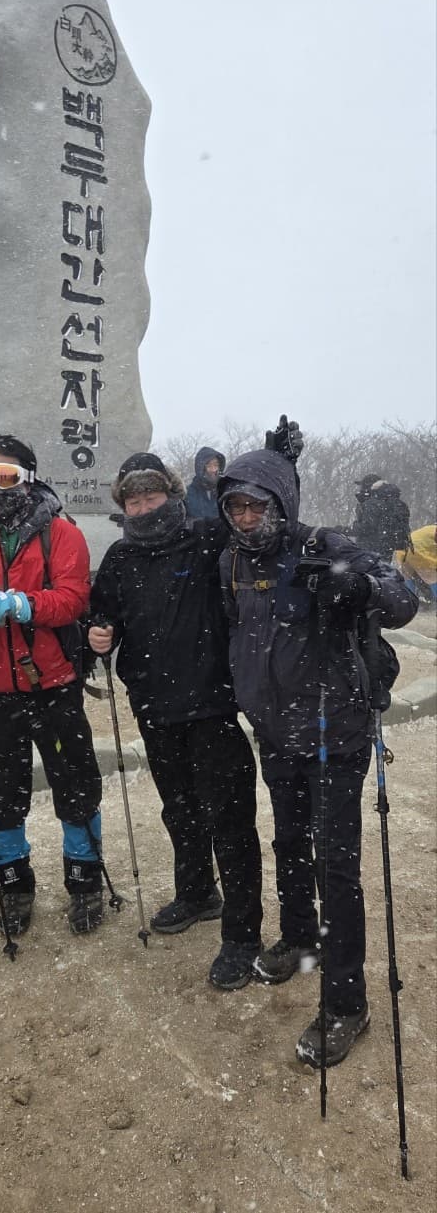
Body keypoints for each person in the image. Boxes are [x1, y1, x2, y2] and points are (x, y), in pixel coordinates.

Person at [218, 449, 418, 1065]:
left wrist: (354, 582)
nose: (248, 517)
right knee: (287, 842)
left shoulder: (327, 544)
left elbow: (401, 600)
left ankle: (346, 1002)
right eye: (237, 506)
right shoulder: (230, 561)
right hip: (276, 730)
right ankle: (299, 940)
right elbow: (238, 631)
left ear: (282, 503)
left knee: (336, 866)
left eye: (259, 504)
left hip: (335, 732)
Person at [88, 450, 263, 991]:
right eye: (134, 500)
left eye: (152, 496)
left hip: (211, 705)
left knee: (230, 822)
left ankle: (243, 934)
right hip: (154, 707)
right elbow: (102, 615)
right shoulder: (118, 557)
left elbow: (260, 534)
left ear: (171, 494)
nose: (144, 508)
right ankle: (195, 892)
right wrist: (95, 635)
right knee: (179, 811)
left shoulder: (210, 539)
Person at [0, 433, 104, 937]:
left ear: (29, 475)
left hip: (54, 681)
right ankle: (14, 884)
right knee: (7, 791)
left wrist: (25, 603)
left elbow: (74, 599)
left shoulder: (61, 533)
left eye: (6, 475)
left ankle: (84, 882)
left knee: (75, 783)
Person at [352, 474, 411, 561]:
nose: (360, 489)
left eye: (362, 486)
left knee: (370, 572)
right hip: (386, 549)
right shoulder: (388, 501)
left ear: (367, 487)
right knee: (383, 571)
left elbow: (366, 528)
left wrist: (350, 527)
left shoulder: (372, 503)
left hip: (370, 550)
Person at [185, 447, 226, 521]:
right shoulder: (188, 493)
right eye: (209, 465)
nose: (213, 470)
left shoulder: (224, 491)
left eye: (216, 465)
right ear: (200, 468)